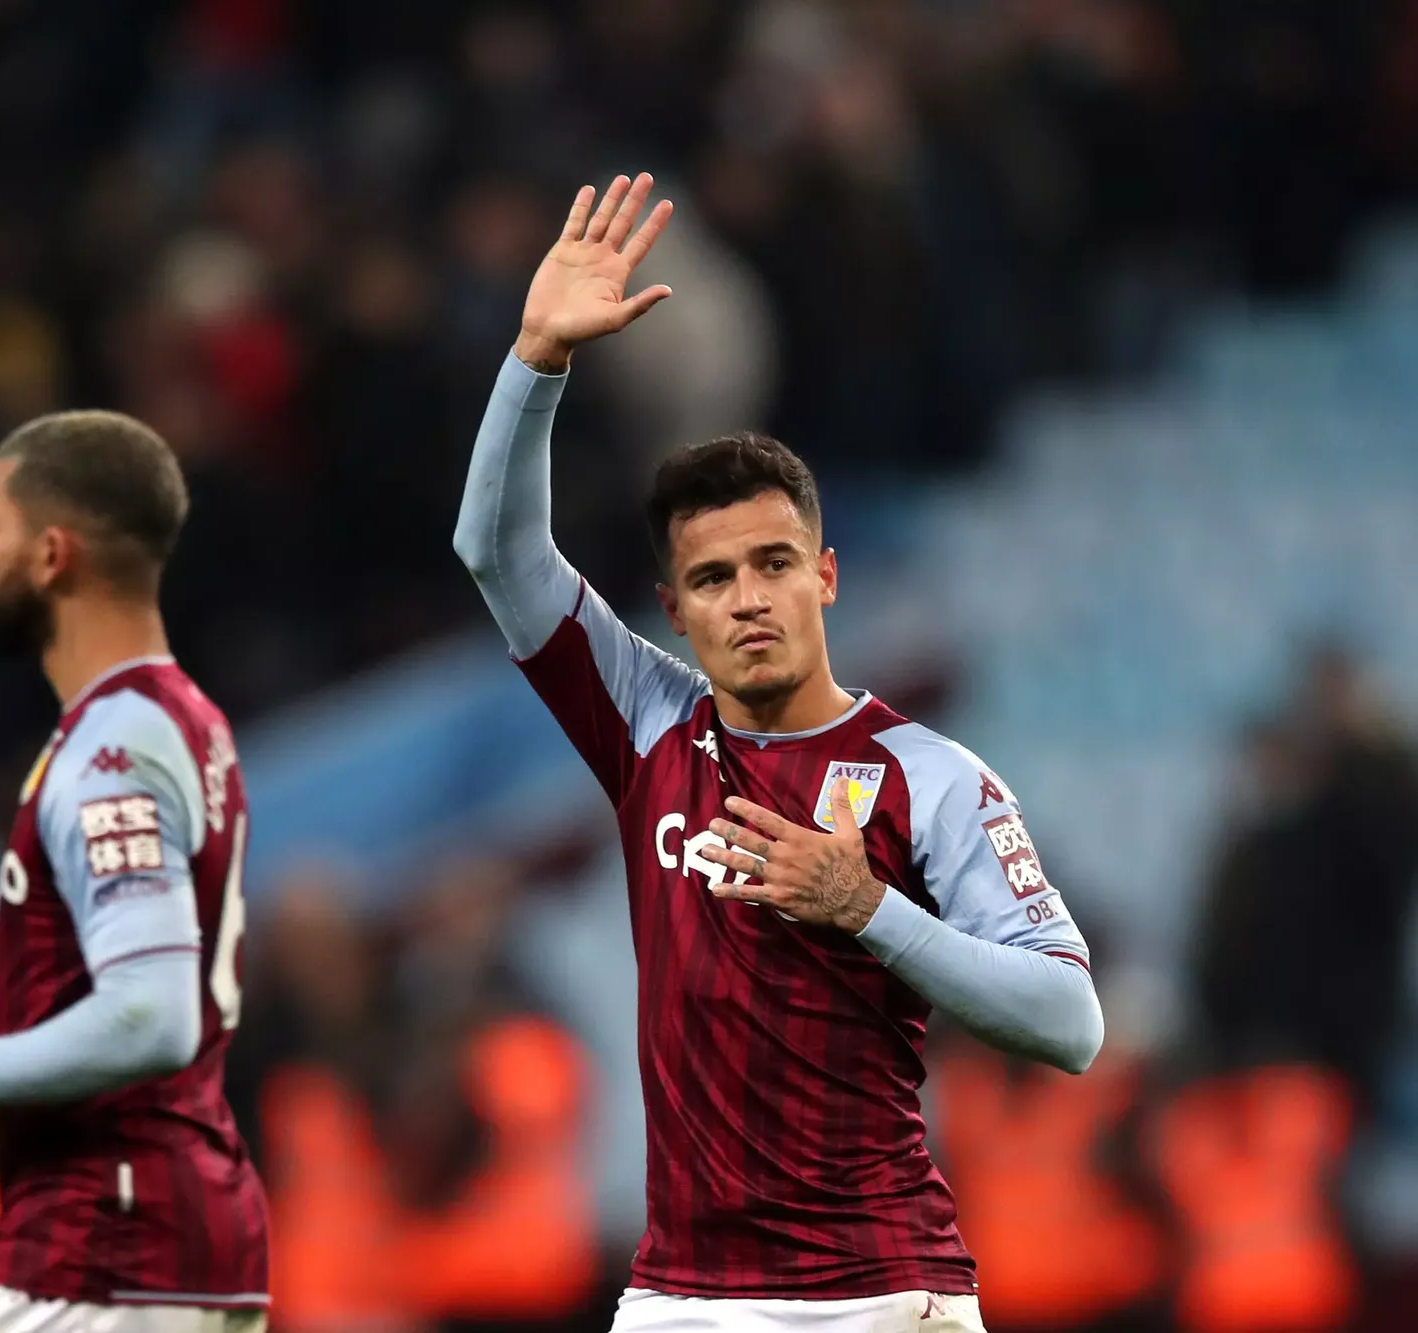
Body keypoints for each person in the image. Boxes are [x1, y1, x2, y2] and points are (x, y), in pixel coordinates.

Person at [452, 173, 1104, 1333]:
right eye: (710, 577)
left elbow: (1068, 1023)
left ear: (825, 577)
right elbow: (496, 554)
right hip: (679, 1297)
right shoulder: (645, 719)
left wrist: (869, 910)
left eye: (770, 564)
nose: (745, 598)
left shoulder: (929, 776)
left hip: (880, 1292)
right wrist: (535, 362)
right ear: (672, 605)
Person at [0, 409, 269, 1332]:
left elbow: (148, 1015)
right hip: (178, 1235)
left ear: (52, 554)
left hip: (104, 1242)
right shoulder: (175, 715)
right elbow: (67, 950)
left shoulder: (113, 745)